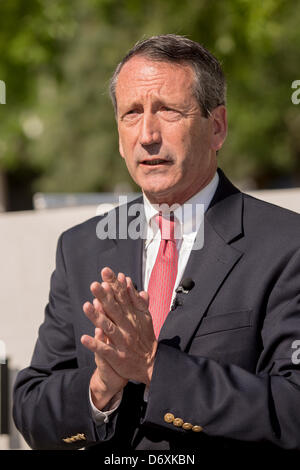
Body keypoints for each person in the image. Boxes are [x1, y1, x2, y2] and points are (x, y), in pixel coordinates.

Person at [13, 34, 300, 453]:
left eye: (167, 111)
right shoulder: (81, 249)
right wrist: (100, 386)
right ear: (117, 134)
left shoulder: (285, 245)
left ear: (216, 127)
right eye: (132, 113)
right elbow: (31, 410)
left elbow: (292, 409)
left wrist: (154, 366)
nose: (147, 134)